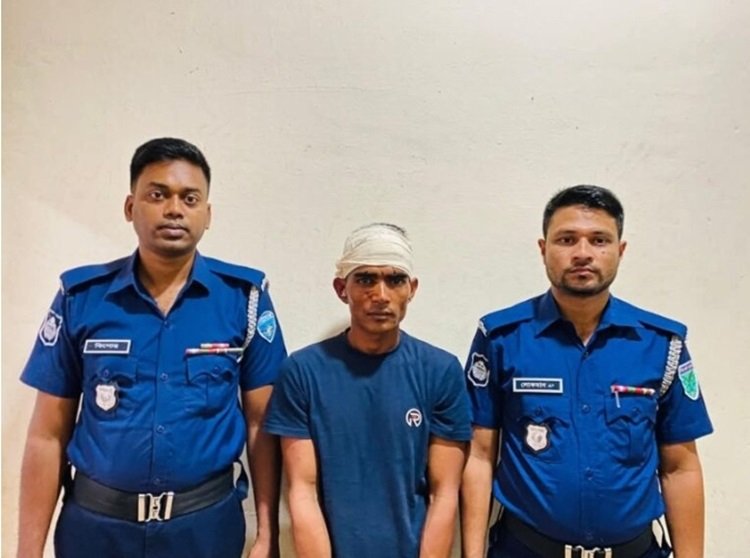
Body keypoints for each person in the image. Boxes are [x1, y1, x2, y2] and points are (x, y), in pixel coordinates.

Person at [17, 137, 286, 558]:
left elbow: (261, 425)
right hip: (96, 532)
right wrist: (27, 551)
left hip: (204, 532)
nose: (174, 209)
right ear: (130, 207)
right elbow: (47, 435)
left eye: (189, 198)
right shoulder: (81, 298)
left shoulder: (244, 299)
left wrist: (268, 535)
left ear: (208, 214)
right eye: (158, 195)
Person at [460, 185, 713, 558]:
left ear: (620, 251)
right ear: (543, 248)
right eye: (566, 239)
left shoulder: (660, 344)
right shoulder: (501, 338)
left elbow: (680, 468)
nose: (582, 253)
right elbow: (480, 456)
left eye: (599, 240)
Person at [264, 222, 472, 558]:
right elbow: (302, 491)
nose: (381, 295)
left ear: (412, 289)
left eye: (395, 280)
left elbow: (444, 493)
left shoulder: (441, 371)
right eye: (365, 279)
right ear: (341, 288)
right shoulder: (302, 371)